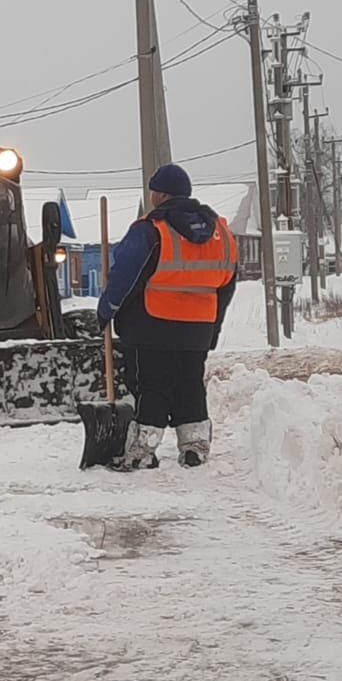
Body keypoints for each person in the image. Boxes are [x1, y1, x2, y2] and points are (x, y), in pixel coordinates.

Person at [97, 163, 237, 469]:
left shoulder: (151, 230)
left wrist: (107, 309)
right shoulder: (221, 233)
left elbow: (126, 277)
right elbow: (226, 286)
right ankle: (194, 447)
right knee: (190, 385)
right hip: (198, 329)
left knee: (151, 387)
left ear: (158, 195)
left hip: (152, 325)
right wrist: (213, 328)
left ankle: (141, 451)